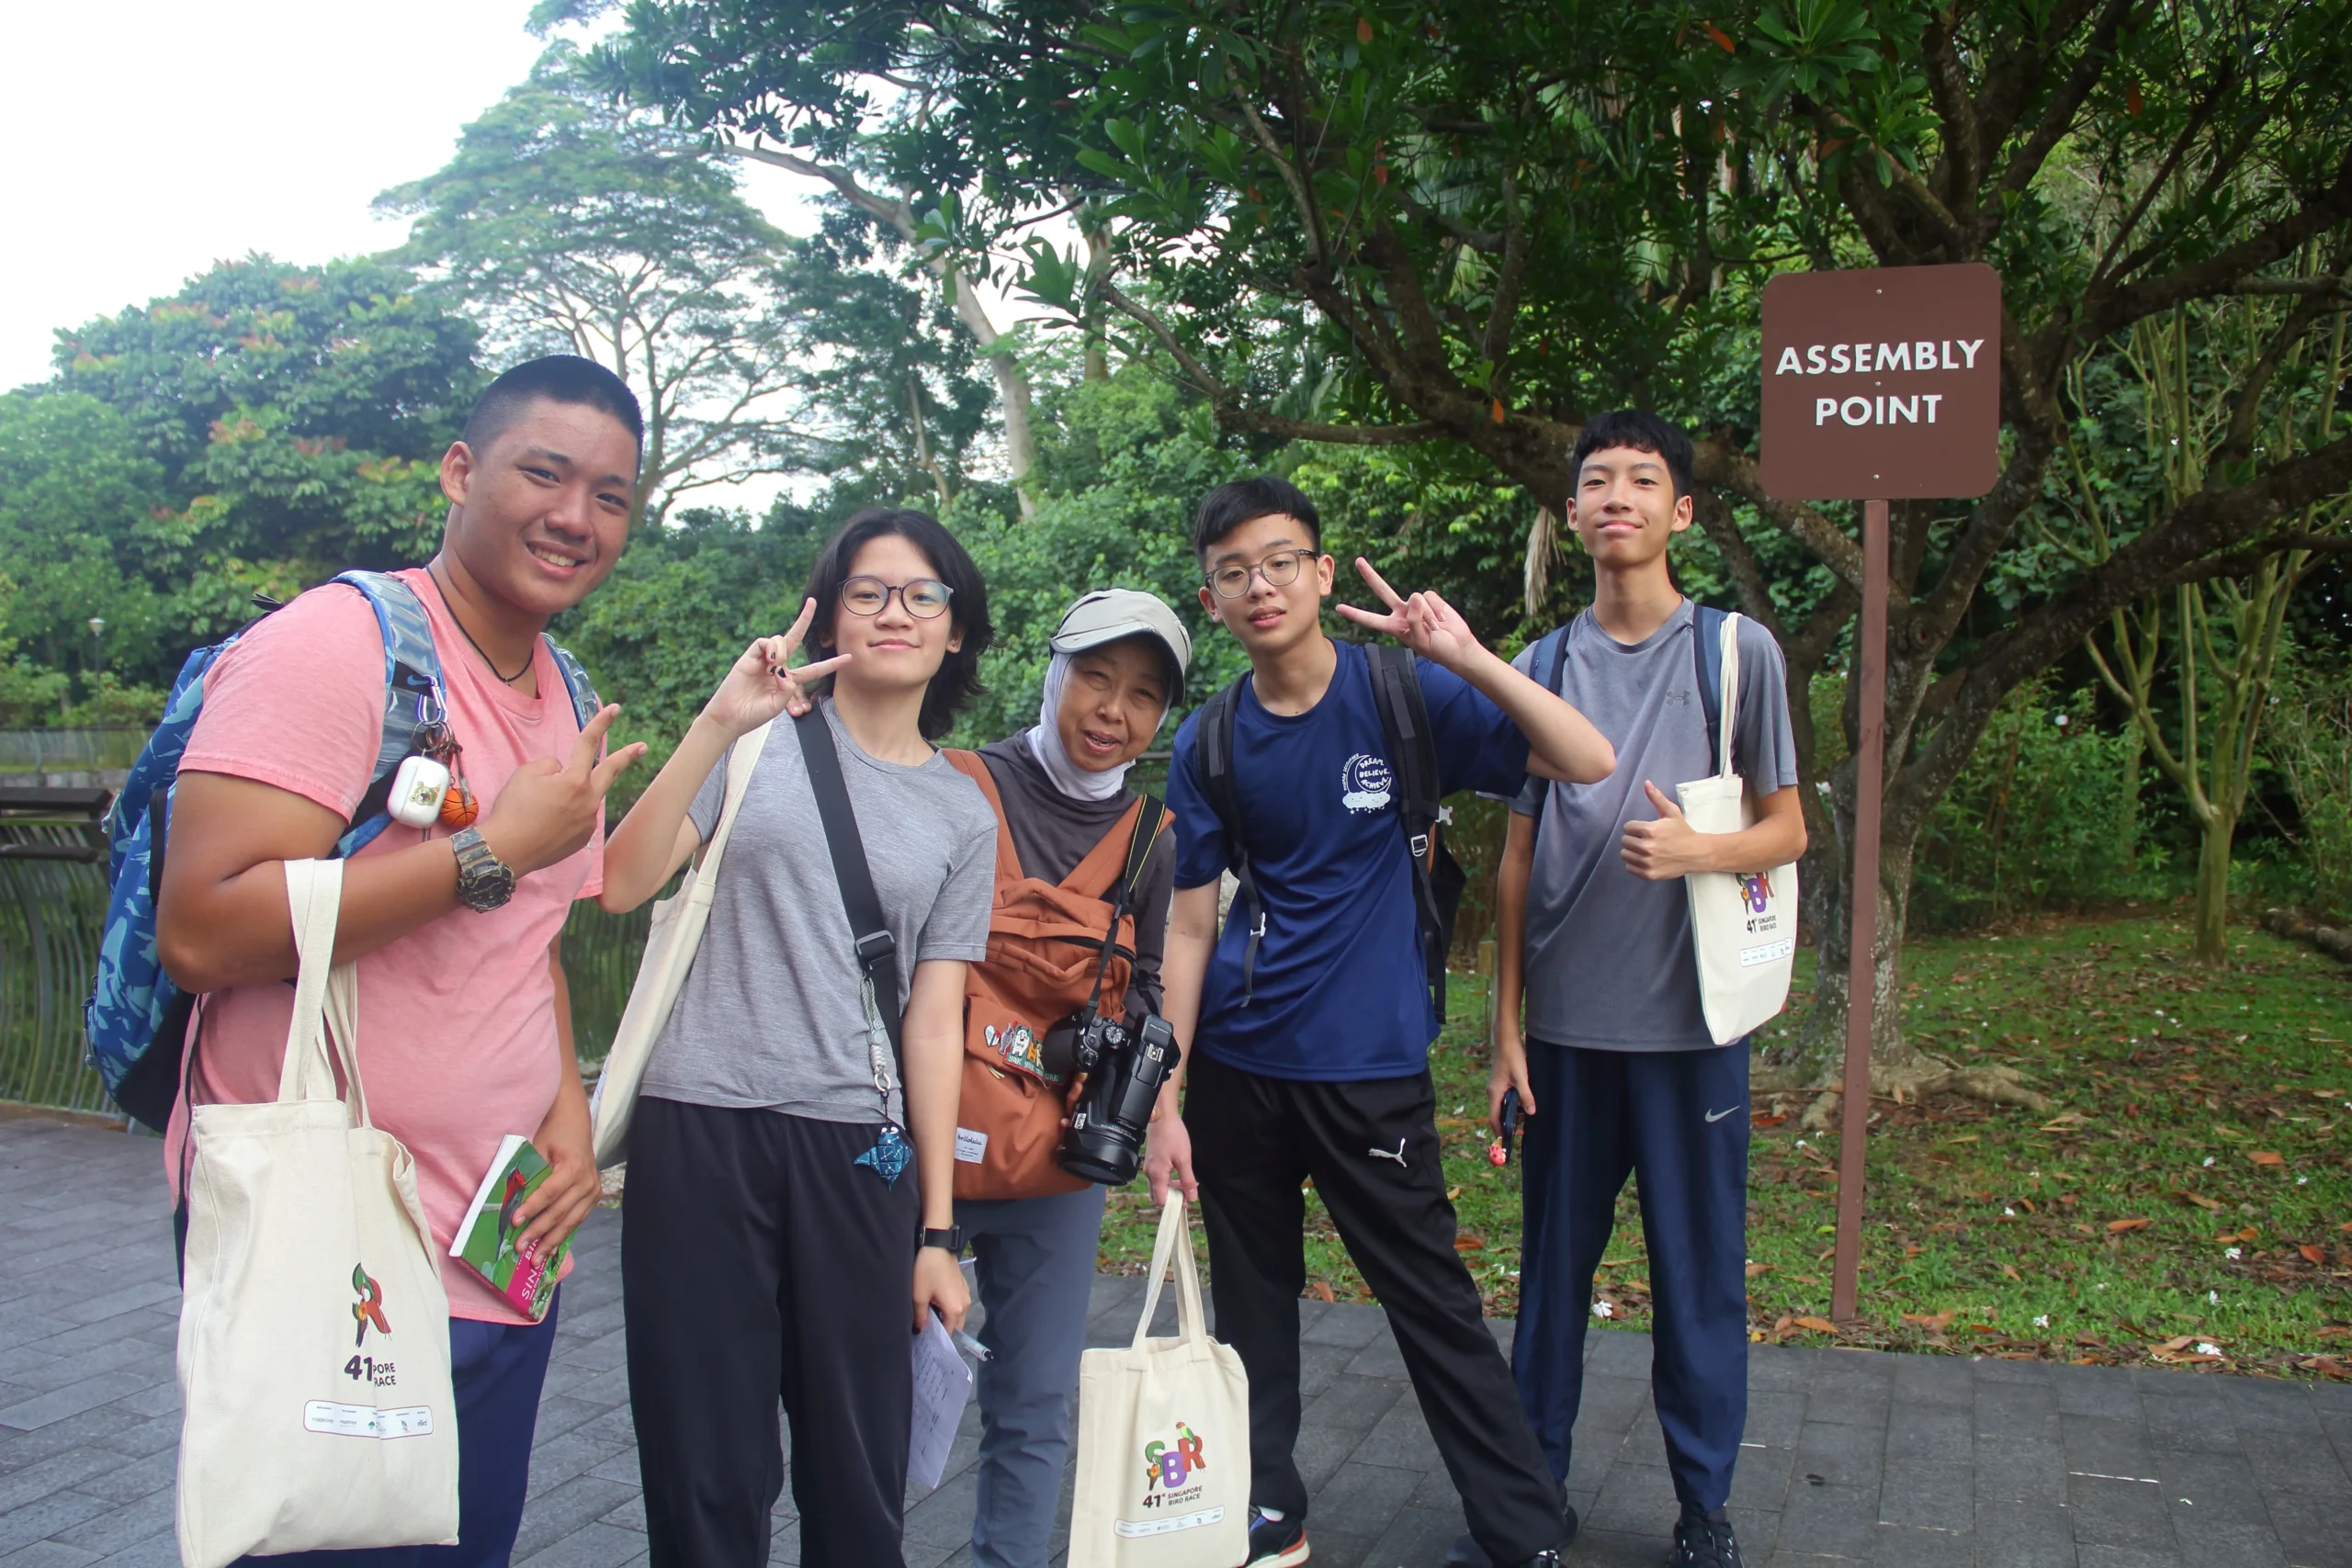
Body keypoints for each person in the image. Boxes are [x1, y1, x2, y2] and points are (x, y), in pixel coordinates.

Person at [155, 355, 650, 1566]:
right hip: (328, 1232)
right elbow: (201, 929)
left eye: (610, 496)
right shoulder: (335, 645)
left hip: (497, 1236)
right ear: (460, 471)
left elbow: (527, 940)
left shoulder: (564, 687)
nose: (575, 516)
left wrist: (568, 1116)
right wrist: (490, 849)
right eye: (544, 473)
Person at [1145, 476, 1617, 1568]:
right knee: (1251, 1307)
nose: (1259, 587)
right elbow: (1187, 929)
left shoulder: (1404, 696)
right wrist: (1167, 1097)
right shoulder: (1210, 740)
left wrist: (1467, 657)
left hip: (1368, 1072)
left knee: (1431, 1302)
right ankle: (1266, 1511)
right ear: (1211, 599)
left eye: (1279, 561)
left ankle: (1521, 1530)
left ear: (1319, 572)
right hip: (1238, 1072)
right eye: (1232, 573)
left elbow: (1584, 759)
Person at [598, 508, 996, 1568]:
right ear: (830, 615)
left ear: (955, 628)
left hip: (859, 1154)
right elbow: (620, 883)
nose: (895, 612)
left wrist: (937, 1233)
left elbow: (934, 1023)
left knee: (856, 1475)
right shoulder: (753, 743)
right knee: (703, 1469)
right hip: (700, 1130)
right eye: (868, 591)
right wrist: (713, 724)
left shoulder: (963, 813)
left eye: (922, 594)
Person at [1491, 412, 1806, 1568]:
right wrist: (1504, 1030)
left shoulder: (1735, 653)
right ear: (1572, 512)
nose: (1615, 496)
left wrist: (1698, 853)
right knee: (1549, 1286)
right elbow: (1516, 858)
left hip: (1692, 1031)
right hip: (1566, 1035)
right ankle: (1534, 1502)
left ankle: (1704, 1513)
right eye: (1595, 481)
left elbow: (1788, 828)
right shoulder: (1541, 667)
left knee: (1697, 1281)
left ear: (1680, 512)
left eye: (1641, 479)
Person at [949, 588, 1189, 1568]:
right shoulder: (956, 785)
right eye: (1095, 676)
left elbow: (1149, 988)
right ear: (1052, 672)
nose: (1112, 711)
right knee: (869, 1381)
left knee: (1036, 1396)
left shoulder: (1152, 836)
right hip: (925, 1139)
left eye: (1143, 694)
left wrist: (1159, 1110)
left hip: (1060, 1151)